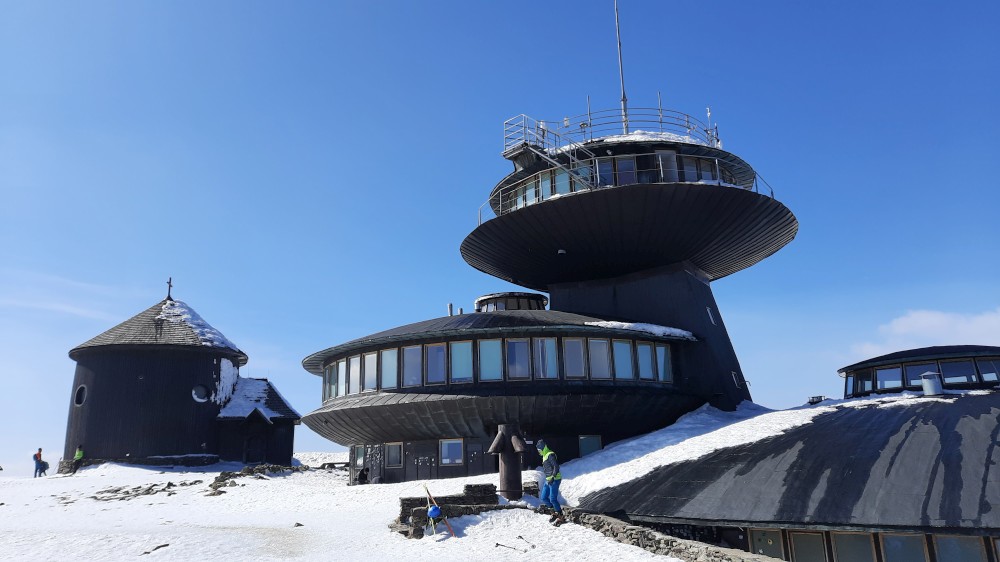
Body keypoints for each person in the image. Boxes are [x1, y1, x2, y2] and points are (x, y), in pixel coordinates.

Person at [535, 439, 564, 525]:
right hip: (548, 479)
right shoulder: (544, 455)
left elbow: (556, 466)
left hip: (555, 479)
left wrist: (553, 477)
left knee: (553, 499)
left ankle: (561, 516)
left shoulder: (550, 454)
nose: (538, 452)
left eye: (539, 450)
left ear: (542, 448)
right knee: (544, 497)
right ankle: (554, 513)